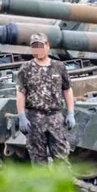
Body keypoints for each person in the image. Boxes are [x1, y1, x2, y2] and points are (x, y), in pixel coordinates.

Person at [15, 33, 76, 164]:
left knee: (61, 156)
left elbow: (67, 89)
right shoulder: (25, 68)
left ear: (48, 46)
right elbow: (21, 93)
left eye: (40, 46)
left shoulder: (59, 66)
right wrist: (21, 116)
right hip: (35, 116)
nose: (38, 50)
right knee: (37, 158)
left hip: (55, 116)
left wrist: (71, 113)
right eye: (34, 47)